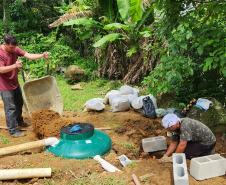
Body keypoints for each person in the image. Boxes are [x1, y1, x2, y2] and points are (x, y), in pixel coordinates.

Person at [0, 34, 49, 137]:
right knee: (10, 107)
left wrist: (42, 55)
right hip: (4, 85)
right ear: (5, 44)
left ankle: (19, 121)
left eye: (14, 47)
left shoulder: (14, 49)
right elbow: (1, 69)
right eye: (11, 47)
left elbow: (28, 55)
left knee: (19, 103)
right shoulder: (0, 53)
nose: (13, 49)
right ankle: (13, 130)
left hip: (14, 82)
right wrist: (15, 65)